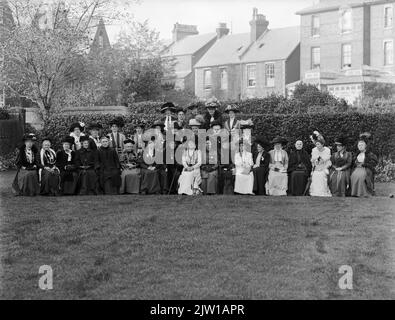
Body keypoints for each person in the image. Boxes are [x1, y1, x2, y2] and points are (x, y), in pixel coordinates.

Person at [350, 133, 378, 197]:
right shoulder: (356, 154)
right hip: (356, 169)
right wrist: (355, 164)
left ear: (366, 145)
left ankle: (363, 193)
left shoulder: (370, 154)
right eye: (359, 145)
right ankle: (354, 192)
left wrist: (365, 164)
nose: (360, 146)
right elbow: (352, 163)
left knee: (361, 176)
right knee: (353, 176)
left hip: (365, 169)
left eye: (362, 145)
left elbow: (373, 163)